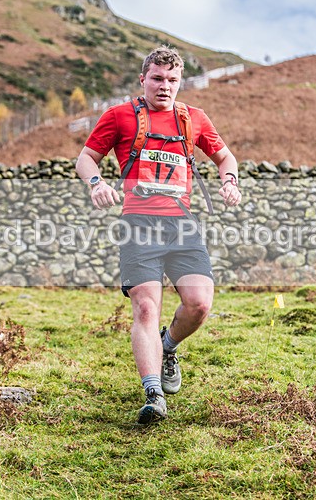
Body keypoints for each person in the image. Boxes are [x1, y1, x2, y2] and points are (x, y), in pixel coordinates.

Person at [75, 46, 242, 424]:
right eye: (157, 79)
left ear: (179, 82)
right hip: (138, 224)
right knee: (147, 307)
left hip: (182, 224)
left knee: (199, 305)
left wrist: (229, 181)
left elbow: (225, 157)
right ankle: (153, 395)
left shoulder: (193, 118)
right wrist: (96, 183)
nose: (165, 87)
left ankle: (168, 347)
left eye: (172, 80)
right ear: (143, 80)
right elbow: (86, 158)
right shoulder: (119, 116)